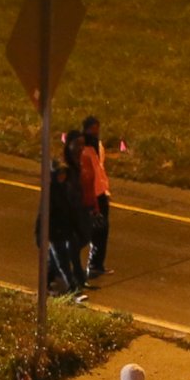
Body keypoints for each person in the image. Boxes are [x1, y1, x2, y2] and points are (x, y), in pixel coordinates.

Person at [46, 130, 91, 299]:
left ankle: (53, 278)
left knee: (72, 246)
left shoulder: (77, 163)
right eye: (77, 144)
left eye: (83, 144)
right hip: (63, 217)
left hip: (75, 213)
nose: (81, 148)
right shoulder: (64, 166)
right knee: (64, 253)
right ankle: (73, 286)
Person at [77, 115, 112, 281]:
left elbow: (100, 171)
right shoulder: (83, 151)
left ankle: (96, 265)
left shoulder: (98, 147)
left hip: (101, 193)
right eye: (92, 130)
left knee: (102, 231)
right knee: (89, 232)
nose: (95, 133)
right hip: (91, 196)